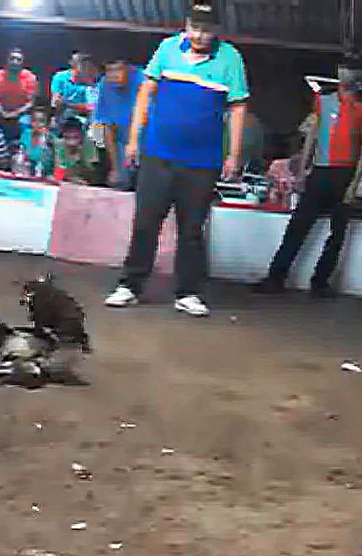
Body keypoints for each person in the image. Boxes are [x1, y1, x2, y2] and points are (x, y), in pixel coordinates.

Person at [102, 1, 249, 318]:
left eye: (206, 29)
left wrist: (234, 154)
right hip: (157, 155)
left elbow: (238, 108)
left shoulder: (230, 59)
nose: (199, 34)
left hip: (202, 162)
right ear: (186, 26)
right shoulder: (167, 49)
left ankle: (188, 292)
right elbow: (145, 92)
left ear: (216, 31)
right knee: (145, 223)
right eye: (195, 27)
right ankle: (130, 284)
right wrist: (133, 139)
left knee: (192, 230)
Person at [254, 64, 362, 297]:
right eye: (343, 70)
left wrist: (353, 184)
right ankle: (276, 277)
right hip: (320, 171)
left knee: (337, 234)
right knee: (298, 227)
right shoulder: (324, 100)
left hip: (345, 173)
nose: (345, 75)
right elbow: (312, 134)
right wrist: (302, 170)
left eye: (351, 72)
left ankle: (320, 282)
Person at [94, 59, 143, 190]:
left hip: (147, 142)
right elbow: (106, 126)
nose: (113, 75)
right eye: (109, 71)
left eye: (118, 69)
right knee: (121, 182)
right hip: (121, 143)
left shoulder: (144, 81)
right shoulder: (104, 84)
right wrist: (115, 167)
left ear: (130, 69)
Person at [0, 48, 39, 143]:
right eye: (12, 58)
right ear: (7, 60)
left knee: (24, 122)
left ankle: (24, 150)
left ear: (23, 62)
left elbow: (30, 103)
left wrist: (15, 113)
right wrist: (3, 112)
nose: (15, 62)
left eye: (18, 59)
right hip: (2, 112)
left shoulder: (30, 77)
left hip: (22, 113)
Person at [50, 51, 99, 128]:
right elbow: (56, 102)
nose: (86, 69)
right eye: (83, 65)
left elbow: (91, 107)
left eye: (88, 66)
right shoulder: (59, 77)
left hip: (84, 117)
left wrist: (67, 104)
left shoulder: (92, 82)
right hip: (63, 116)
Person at [52, 117, 102, 185]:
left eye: (75, 136)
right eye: (68, 136)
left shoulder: (89, 145)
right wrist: (72, 178)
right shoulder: (59, 144)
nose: (71, 141)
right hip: (65, 183)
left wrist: (81, 158)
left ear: (81, 134)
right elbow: (58, 175)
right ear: (63, 134)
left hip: (85, 185)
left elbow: (93, 175)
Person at [19, 104, 54, 177]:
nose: (38, 124)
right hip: (27, 172)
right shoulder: (26, 134)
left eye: (41, 121)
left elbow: (49, 164)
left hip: (45, 175)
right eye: (35, 121)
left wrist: (45, 141)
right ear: (31, 122)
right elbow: (21, 154)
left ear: (47, 124)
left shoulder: (50, 138)